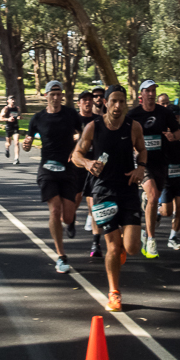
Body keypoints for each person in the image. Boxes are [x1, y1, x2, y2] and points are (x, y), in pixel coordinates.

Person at [72, 84, 147, 312]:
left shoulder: (133, 126)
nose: (117, 106)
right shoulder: (93, 127)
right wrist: (86, 163)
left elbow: (142, 150)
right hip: (102, 191)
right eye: (113, 101)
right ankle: (114, 292)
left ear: (126, 104)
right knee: (113, 247)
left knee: (132, 247)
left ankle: (124, 248)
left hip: (128, 189)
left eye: (121, 101)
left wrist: (141, 168)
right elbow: (76, 154)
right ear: (105, 102)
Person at [22, 80, 84, 274]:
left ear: (62, 96)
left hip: (68, 169)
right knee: (54, 210)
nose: (56, 98)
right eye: (53, 94)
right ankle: (61, 256)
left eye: (59, 94)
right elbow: (29, 140)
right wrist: (26, 145)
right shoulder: (38, 118)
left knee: (67, 215)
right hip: (47, 169)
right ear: (46, 96)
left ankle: (71, 220)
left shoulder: (70, 114)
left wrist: (75, 150)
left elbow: (84, 135)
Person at [130, 79, 180, 259]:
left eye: (153, 91)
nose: (151, 94)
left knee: (154, 198)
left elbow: (178, 133)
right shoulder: (133, 115)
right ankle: (151, 239)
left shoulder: (165, 113)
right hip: (143, 164)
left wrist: (172, 136)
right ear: (141, 96)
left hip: (161, 163)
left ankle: (146, 231)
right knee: (153, 196)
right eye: (148, 91)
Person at [156, 93, 180, 250]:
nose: (175, 119)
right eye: (172, 117)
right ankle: (155, 207)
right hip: (166, 177)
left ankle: (173, 237)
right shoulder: (162, 134)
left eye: (177, 116)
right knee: (167, 212)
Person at [76, 90, 105, 258]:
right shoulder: (77, 120)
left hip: (97, 165)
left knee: (95, 204)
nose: (95, 100)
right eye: (91, 97)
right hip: (80, 162)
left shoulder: (101, 119)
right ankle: (79, 219)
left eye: (99, 96)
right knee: (80, 199)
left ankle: (96, 242)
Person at [0, 96, 22, 163]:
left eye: (14, 99)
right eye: (11, 99)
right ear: (8, 101)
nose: (13, 101)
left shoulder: (17, 108)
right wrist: (8, 119)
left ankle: (16, 158)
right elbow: (0, 118)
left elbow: (18, 115)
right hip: (9, 127)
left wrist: (19, 117)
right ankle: (7, 148)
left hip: (15, 126)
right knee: (8, 143)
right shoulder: (6, 109)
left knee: (17, 142)